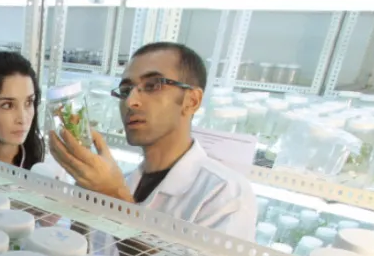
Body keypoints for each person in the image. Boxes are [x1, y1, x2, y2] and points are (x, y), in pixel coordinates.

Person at [48, 42, 257, 241]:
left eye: (152, 86)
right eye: (125, 90)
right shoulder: (128, 180)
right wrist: (84, 199)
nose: (131, 101)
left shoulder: (226, 194)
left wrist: (114, 196)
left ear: (192, 100)